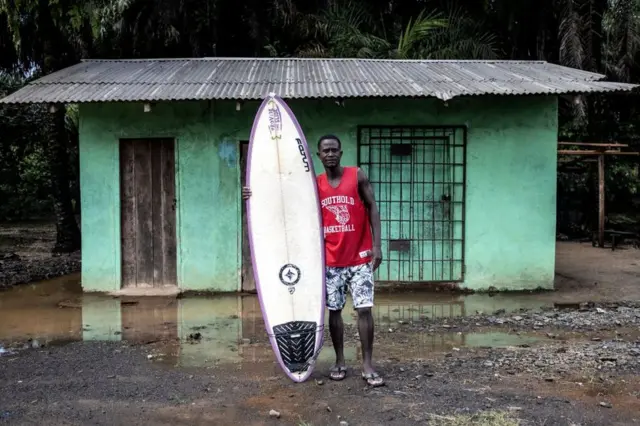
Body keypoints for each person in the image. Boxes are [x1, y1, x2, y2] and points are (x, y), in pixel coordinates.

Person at [242, 134, 384, 387]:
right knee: (335, 311)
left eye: (334, 150)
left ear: (341, 153)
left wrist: (377, 246)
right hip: (330, 261)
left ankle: (367, 364)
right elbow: (285, 201)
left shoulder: (357, 175)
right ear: (318, 156)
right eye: (325, 151)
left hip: (360, 257)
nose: (330, 154)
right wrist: (253, 194)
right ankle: (340, 360)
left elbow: (372, 206)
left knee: (364, 309)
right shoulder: (314, 185)